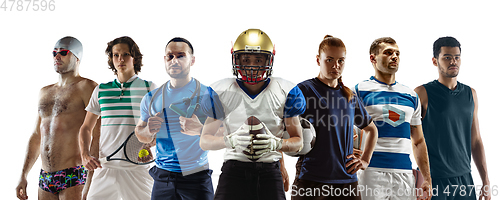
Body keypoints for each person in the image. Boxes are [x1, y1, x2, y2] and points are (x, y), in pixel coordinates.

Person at [199, 28, 305, 200]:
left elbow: (297, 142)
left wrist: (276, 144)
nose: (252, 66)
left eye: (258, 60)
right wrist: (229, 140)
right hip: (233, 170)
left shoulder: (285, 90)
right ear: (236, 59)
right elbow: (205, 141)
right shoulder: (221, 90)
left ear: (268, 60)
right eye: (246, 59)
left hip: (270, 171)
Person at [291, 35, 378, 200]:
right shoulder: (304, 90)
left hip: (347, 182)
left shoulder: (349, 96)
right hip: (311, 180)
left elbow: (371, 129)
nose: (335, 66)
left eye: (341, 61)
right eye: (329, 60)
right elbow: (282, 128)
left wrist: (365, 160)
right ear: (318, 60)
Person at [16, 36, 99, 200]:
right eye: (54, 53)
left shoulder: (87, 87)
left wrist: (91, 181)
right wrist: (23, 175)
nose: (57, 56)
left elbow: (98, 134)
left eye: (63, 52)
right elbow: (36, 135)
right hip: (45, 178)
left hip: (74, 175)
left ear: (76, 57)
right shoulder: (44, 92)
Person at [135, 37, 215, 200]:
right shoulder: (152, 97)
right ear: (164, 60)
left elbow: (225, 134)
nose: (174, 60)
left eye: (181, 55)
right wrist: (149, 130)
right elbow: (140, 133)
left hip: (197, 176)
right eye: (170, 56)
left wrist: (200, 129)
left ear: (192, 60)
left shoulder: (207, 94)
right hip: (163, 178)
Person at [79, 36, 156, 200]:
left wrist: (151, 143)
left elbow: (162, 127)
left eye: (126, 54)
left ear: (134, 58)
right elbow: (86, 128)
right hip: (106, 168)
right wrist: (85, 155)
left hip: (139, 170)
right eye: (116, 55)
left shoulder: (149, 88)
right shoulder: (101, 90)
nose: (120, 59)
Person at [354, 37, 432, 200]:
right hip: (371, 172)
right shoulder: (359, 90)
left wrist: (426, 178)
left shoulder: (411, 95)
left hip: (404, 173)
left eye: (397, 53)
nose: (394, 56)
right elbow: (344, 131)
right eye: (388, 53)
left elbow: (418, 141)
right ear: (373, 58)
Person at [414, 36, 491, 200]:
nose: (453, 61)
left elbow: (476, 140)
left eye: (457, 57)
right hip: (434, 179)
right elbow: (411, 138)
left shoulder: (471, 94)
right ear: (435, 61)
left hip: (464, 180)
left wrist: (485, 180)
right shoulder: (422, 93)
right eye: (447, 57)